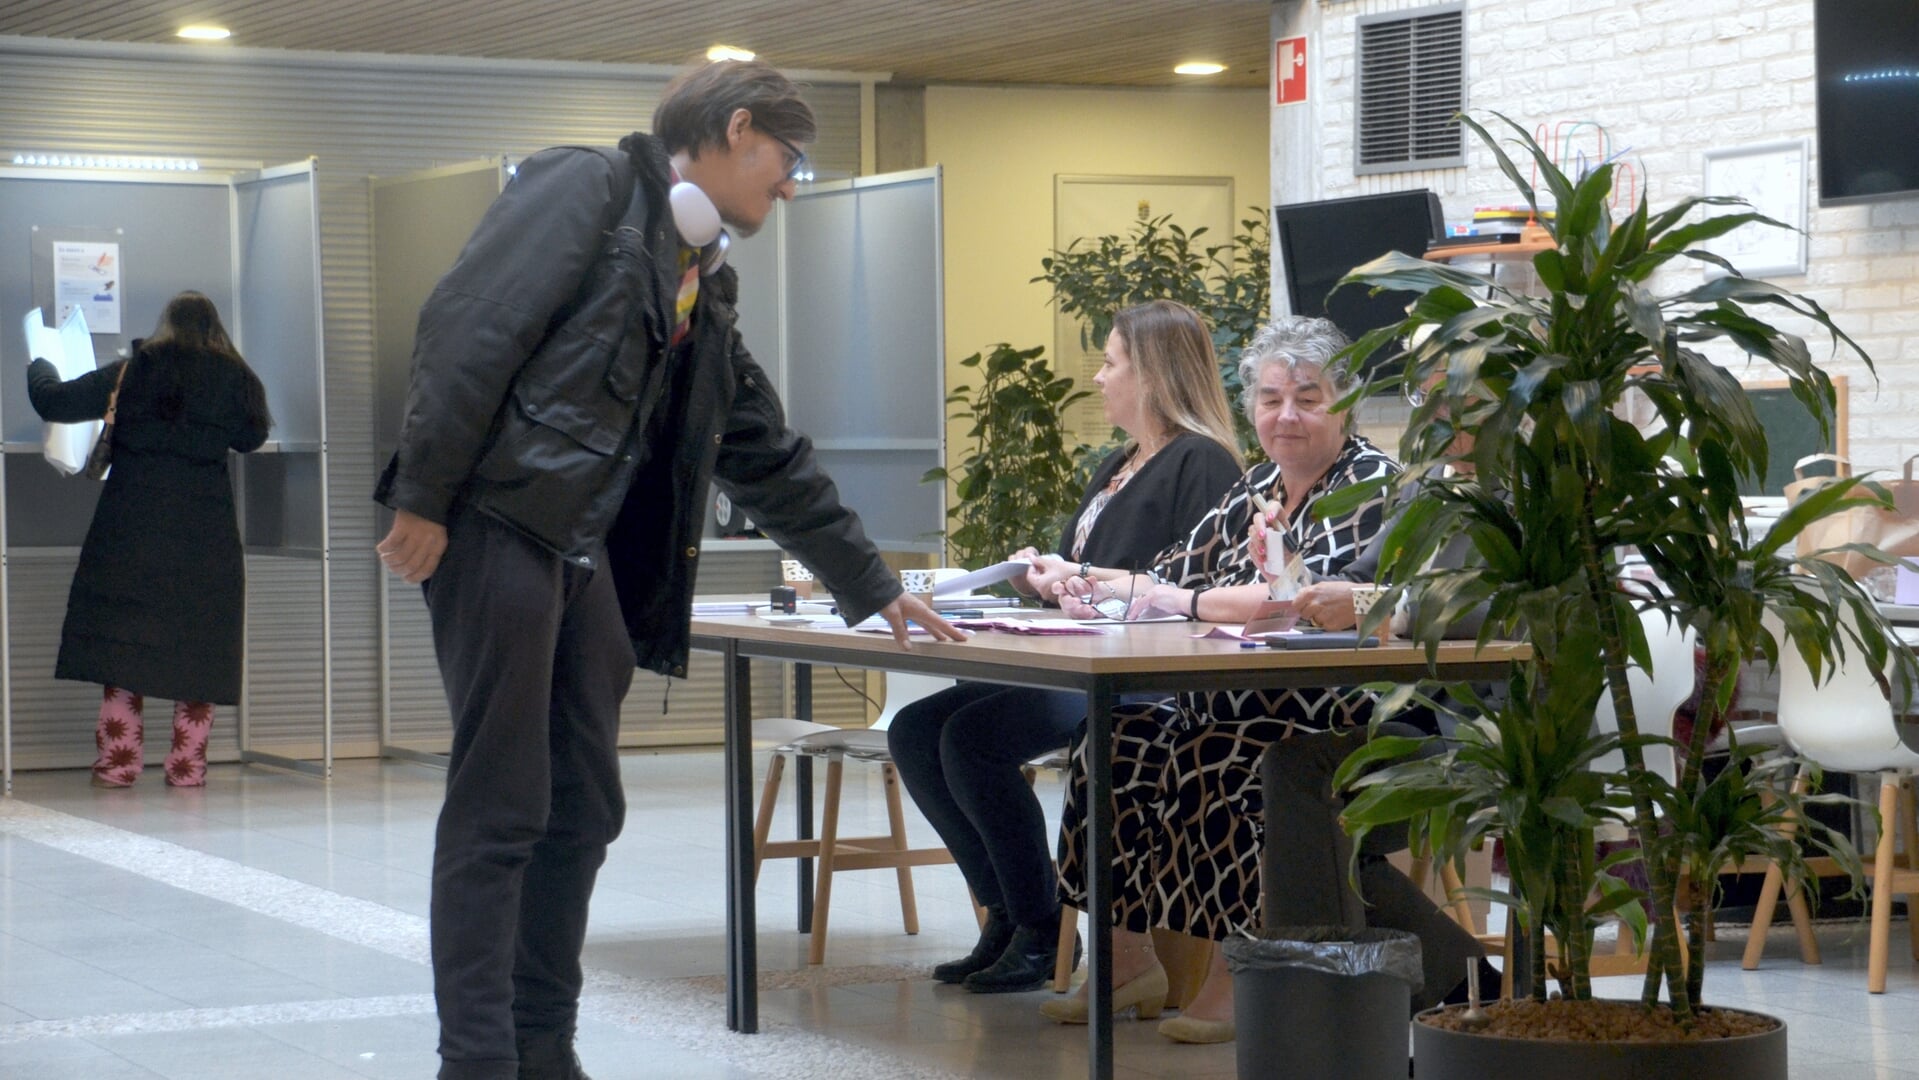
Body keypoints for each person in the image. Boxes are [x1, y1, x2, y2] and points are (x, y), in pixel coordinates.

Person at [372, 60, 963, 1080]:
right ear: (736, 130)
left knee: (585, 805)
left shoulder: (699, 277)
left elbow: (762, 450)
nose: (788, 184)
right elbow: (467, 331)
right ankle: (476, 1059)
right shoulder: (587, 190)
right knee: (502, 801)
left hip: (575, 549)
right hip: (498, 525)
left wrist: (874, 584)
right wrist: (423, 499)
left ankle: (541, 1044)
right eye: (787, 160)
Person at [1041, 316, 1484, 1044]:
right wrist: (1084, 579)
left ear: (1344, 403)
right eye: (1271, 398)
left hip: (1346, 708)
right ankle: (1124, 959)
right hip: (1250, 695)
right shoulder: (1252, 486)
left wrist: (1187, 599)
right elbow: (1170, 578)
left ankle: (1236, 971)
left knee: (1229, 752)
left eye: (1306, 398)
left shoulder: (1373, 486)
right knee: (1118, 735)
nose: (1285, 416)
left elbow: (1300, 604)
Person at [886, 299, 1243, 994]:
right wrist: (1044, 577)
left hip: (1137, 676)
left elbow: (1192, 584)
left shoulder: (1199, 461)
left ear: (1152, 375)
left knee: (971, 739)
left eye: (1110, 363)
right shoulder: (1119, 462)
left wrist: (1079, 579)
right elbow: (1094, 574)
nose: (1099, 378)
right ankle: (1006, 917)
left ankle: (1041, 925)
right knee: (914, 728)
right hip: (1077, 655)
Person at [26, 291, 271, 789]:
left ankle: (118, 765)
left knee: (124, 647)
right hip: (205, 534)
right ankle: (187, 769)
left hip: (131, 526)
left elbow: (54, 400)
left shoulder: (131, 370)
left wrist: (41, 362)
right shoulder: (235, 376)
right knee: (201, 650)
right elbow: (251, 437)